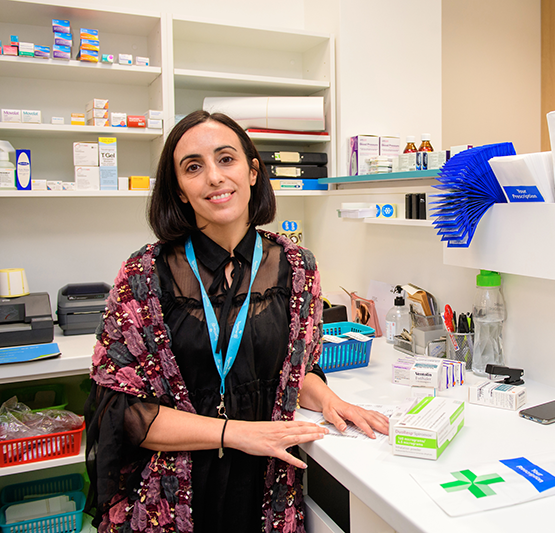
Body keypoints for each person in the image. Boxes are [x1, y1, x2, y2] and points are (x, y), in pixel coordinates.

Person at [84, 110, 389, 533]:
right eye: (194, 167)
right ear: (180, 191)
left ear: (251, 172)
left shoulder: (297, 267)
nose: (213, 176)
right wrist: (236, 433)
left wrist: (329, 400)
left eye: (225, 159)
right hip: (175, 494)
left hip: (266, 488)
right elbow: (125, 415)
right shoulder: (143, 275)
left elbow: (293, 372)